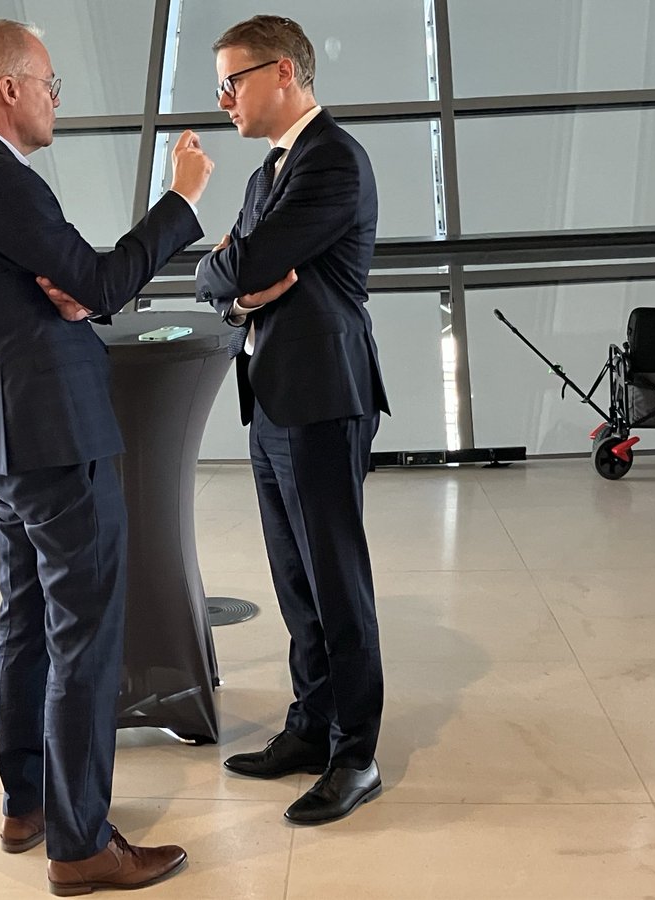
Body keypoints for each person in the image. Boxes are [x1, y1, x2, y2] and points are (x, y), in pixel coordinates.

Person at [0, 19, 212, 895]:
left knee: (25, 623)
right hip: (53, 442)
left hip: (2, 438)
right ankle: (81, 845)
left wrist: (73, 292)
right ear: (9, 87)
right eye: (49, 84)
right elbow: (103, 281)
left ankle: (29, 801)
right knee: (85, 637)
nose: (55, 101)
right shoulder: (0, 181)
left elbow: (72, 284)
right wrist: (183, 201)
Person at [196, 15, 390, 825]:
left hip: (322, 396)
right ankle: (311, 727)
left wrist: (234, 274)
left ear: (283, 74)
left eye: (232, 81)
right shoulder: (267, 173)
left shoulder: (332, 161)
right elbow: (222, 274)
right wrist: (237, 285)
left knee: (335, 580)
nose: (223, 99)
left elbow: (236, 261)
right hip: (273, 396)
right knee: (294, 579)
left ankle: (356, 755)